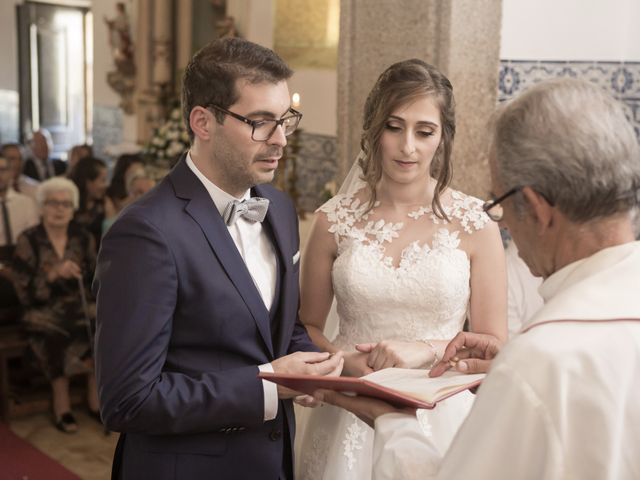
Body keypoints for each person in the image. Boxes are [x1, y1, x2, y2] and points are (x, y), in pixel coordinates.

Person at [315, 78, 640, 479]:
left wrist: (393, 420)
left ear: (537, 209)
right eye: (394, 127)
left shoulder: (540, 362)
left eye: (500, 200)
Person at [93, 37, 343, 480]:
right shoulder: (146, 233)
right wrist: (266, 384)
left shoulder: (280, 209)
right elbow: (127, 400)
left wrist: (324, 364)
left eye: (285, 120)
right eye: (261, 122)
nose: (281, 139)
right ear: (203, 122)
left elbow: (274, 333)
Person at [297, 59, 507, 479]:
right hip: (348, 415)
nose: (407, 146)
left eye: (424, 131)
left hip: (442, 418)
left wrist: (428, 349)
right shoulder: (333, 220)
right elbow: (306, 327)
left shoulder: (476, 224)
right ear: (373, 130)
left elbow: (493, 343)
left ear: (442, 138)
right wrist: (343, 361)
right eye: (394, 127)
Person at [12, 177, 99, 434]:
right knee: (56, 329)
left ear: (73, 209)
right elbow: (23, 290)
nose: (60, 209)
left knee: (101, 324)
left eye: (66, 204)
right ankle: (61, 401)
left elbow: (97, 277)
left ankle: (95, 396)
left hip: (77, 305)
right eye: (53, 203)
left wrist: (81, 275)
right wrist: (51, 275)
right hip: (41, 309)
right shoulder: (28, 239)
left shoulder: (82, 238)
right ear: (41, 207)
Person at [68, 157, 108, 249]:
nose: (106, 185)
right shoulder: (68, 204)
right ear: (88, 182)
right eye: (102, 180)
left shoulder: (104, 204)